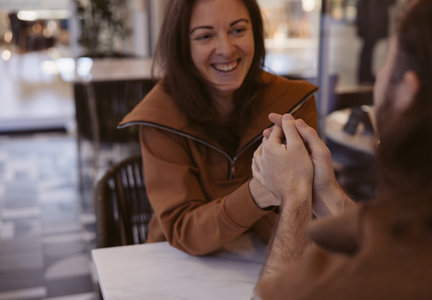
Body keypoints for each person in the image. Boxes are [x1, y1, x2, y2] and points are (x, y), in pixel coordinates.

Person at [252, 0, 432, 298]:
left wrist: (293, 194)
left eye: (387, 64)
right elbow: (387, 238)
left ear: (408, 92)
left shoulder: (365, 279)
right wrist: (325, 191)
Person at [119, 0, 318, 255]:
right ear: (182, 46)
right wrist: (259, 192)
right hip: (176, 265)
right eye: (205, 36)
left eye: (238, 30)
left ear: (255, 33)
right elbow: (185, 231)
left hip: (265, 259)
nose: (225, 48)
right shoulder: (159, 116)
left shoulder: (293, 102)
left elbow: (301, 213)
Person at [356, 0, 395, 84]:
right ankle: (364, 75)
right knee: (368, 48)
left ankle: (364, 74)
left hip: (370, 21)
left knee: (368, 48)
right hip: (371, 22)